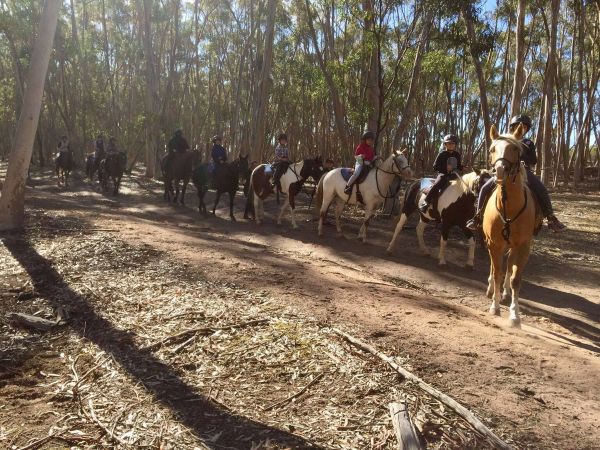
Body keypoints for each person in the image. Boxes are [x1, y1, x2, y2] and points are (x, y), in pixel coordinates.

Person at [466, 114, 566, 232]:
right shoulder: (504, 141)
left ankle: (551, 218)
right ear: (512, 127)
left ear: (527, 129)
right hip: (505, 170)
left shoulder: (528, 142)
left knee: (540, 188)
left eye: (524, 126)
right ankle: (477, 217)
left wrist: (523, 160)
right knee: (484, 188)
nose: (521, 128)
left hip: (523, 171)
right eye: (518, 126)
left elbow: (534, 160)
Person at [418, 134, 462, 213]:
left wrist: (462, 167)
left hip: (454, 175)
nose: (450, 145)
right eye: (448, 143)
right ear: (445, 144)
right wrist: (445, 168)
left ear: (455, 144)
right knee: (437, 185)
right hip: (443, 175)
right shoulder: (441, 154)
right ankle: (426, 202)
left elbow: (458, 166)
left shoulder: (457, 155)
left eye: (452, 143)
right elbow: (435, 166)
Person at [344, 131, 376, 195]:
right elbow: (356, 156)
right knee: (357, 172)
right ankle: (347, 186)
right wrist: (361, 156)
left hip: (368, 164)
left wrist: (375, 158)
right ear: (365, 140)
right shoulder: (360, 146)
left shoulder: (371, 149)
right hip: (360, 162)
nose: (370, 142)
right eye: (368, 140)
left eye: (371, 140)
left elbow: (372, 157)